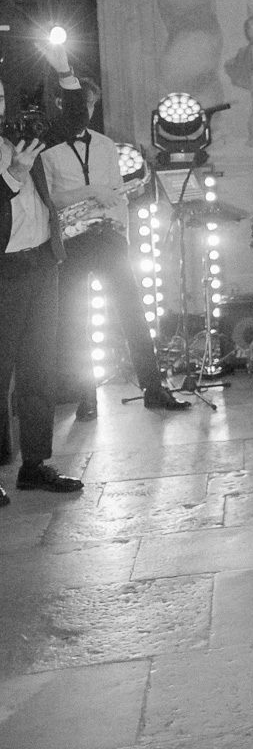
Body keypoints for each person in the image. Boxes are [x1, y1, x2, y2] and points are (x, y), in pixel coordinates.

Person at [41, 78, 189, 418]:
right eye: (82, 105)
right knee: (77, 320)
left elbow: (115, 193)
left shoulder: (107, 145)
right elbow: (49, 200)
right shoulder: (48, 151)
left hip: (108, 236)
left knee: (133, 313)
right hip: (72, 240)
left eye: (92, 105)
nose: (87, 112)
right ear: (65, 105)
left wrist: (122, 232)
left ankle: (154, 387)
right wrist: (90, 192)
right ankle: (85, 396)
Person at [0, 41, 90, 505]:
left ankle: (35, 464)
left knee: (39, 368)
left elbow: (72, 123)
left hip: (40, 262)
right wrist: (14, 175)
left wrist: (65, 72)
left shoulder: (17, 135)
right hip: (4, 271)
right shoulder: (13, 155)